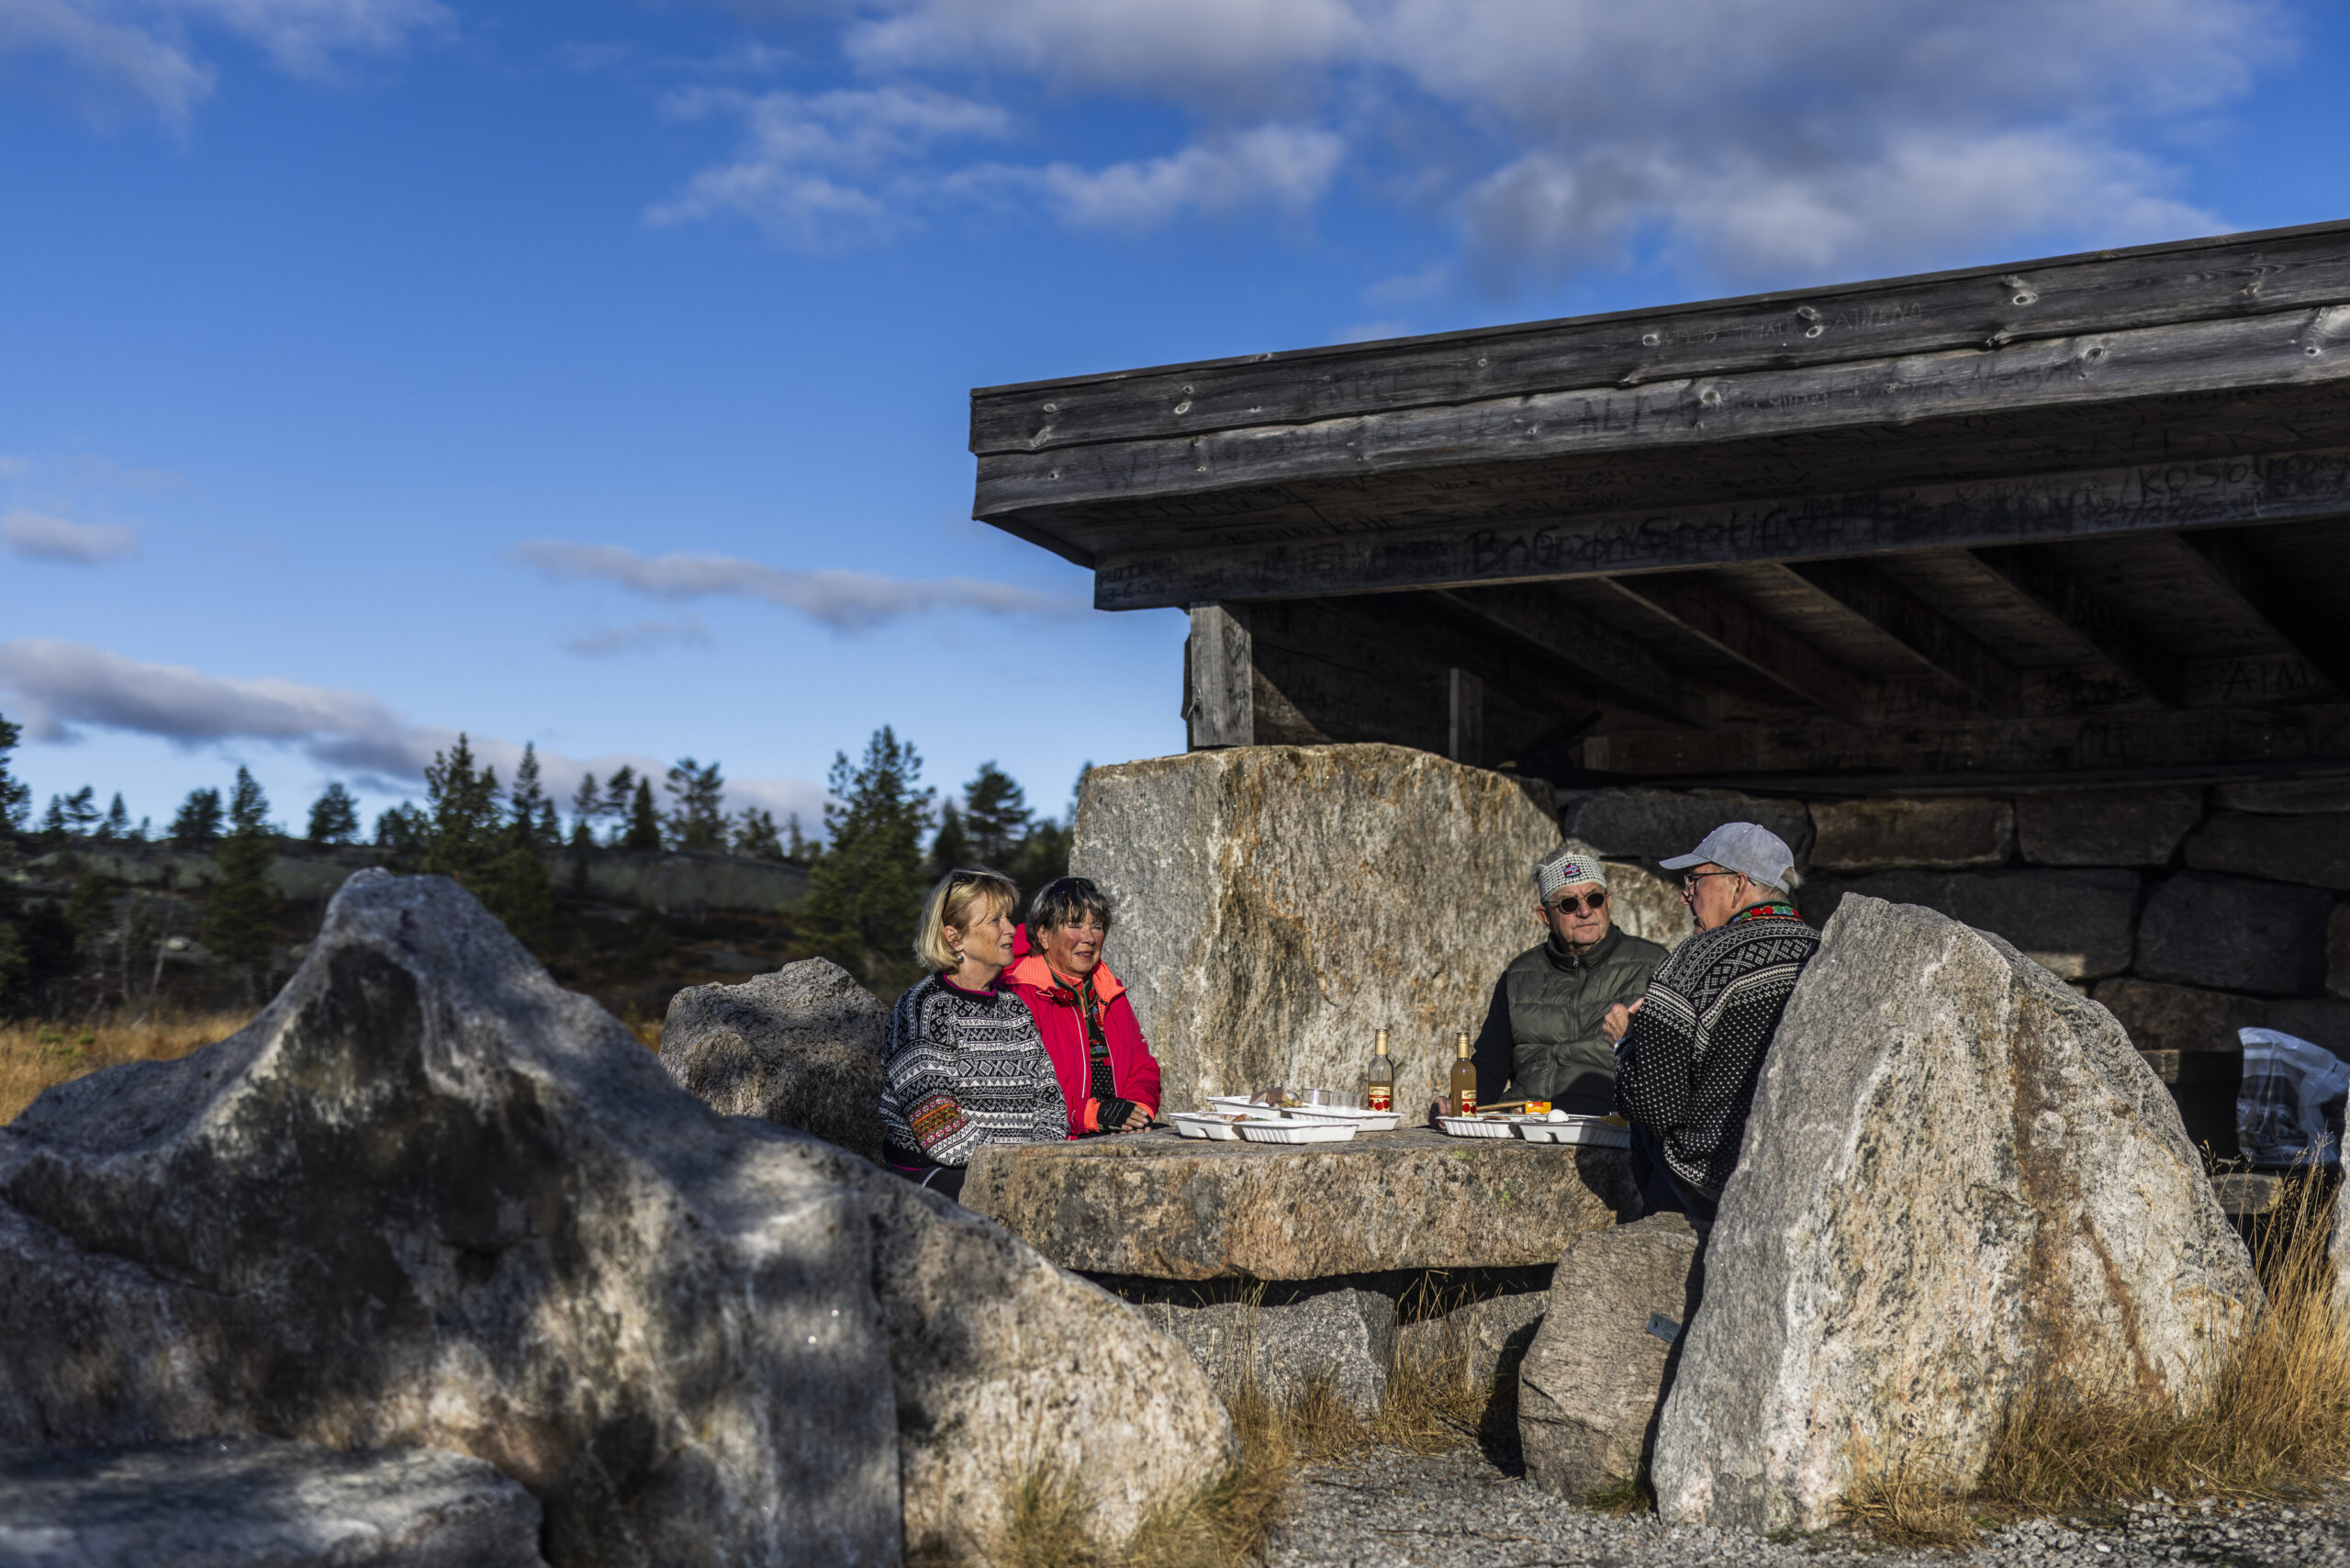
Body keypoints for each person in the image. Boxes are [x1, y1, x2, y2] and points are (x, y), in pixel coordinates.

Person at [1604, 822, 1818, 1225]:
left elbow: (1655, 1106)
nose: (1685, 894)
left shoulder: (1695, 959)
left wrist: (1626, 1044)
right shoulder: (1824, 953)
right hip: (1799, 1179)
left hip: (1710, 1184)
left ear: (1738, 885)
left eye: (1695, 879)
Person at [879, 868, 1068, 1202]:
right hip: (930, 1177)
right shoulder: (922, 1008)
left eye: (1008, 918)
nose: (1011, 929)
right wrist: (1017, 1166)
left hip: (1013, 1169)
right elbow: (938, 1124)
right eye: (995, 920)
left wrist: (1040, 1158)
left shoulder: (1014, 1008)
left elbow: (1049, 1101)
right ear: (955, 937)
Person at [1470, 844, 1667, 1115]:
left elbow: (1670, 1067)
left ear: (1608, 903)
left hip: (1609, 1119)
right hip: (1527, 1116)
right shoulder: (1519, 975)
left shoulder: (1653, 965)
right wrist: (1457, 1104)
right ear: (1545, 916)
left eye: (1594, 899)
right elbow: (1490, 1064)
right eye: (1568, 904)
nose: (1585, 911)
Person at [1002, 876, 1164, 1137]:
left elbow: (1143, 1067)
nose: (1089, 937)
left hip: (1115, 1135)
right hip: (1050, 1143)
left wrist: (1134, 1110)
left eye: (1097, 926)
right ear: (1043, 934)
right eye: (1074, 925)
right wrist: (1091, 1115)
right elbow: (1014, 1093)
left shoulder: (1109, 991)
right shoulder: (1019, 996)